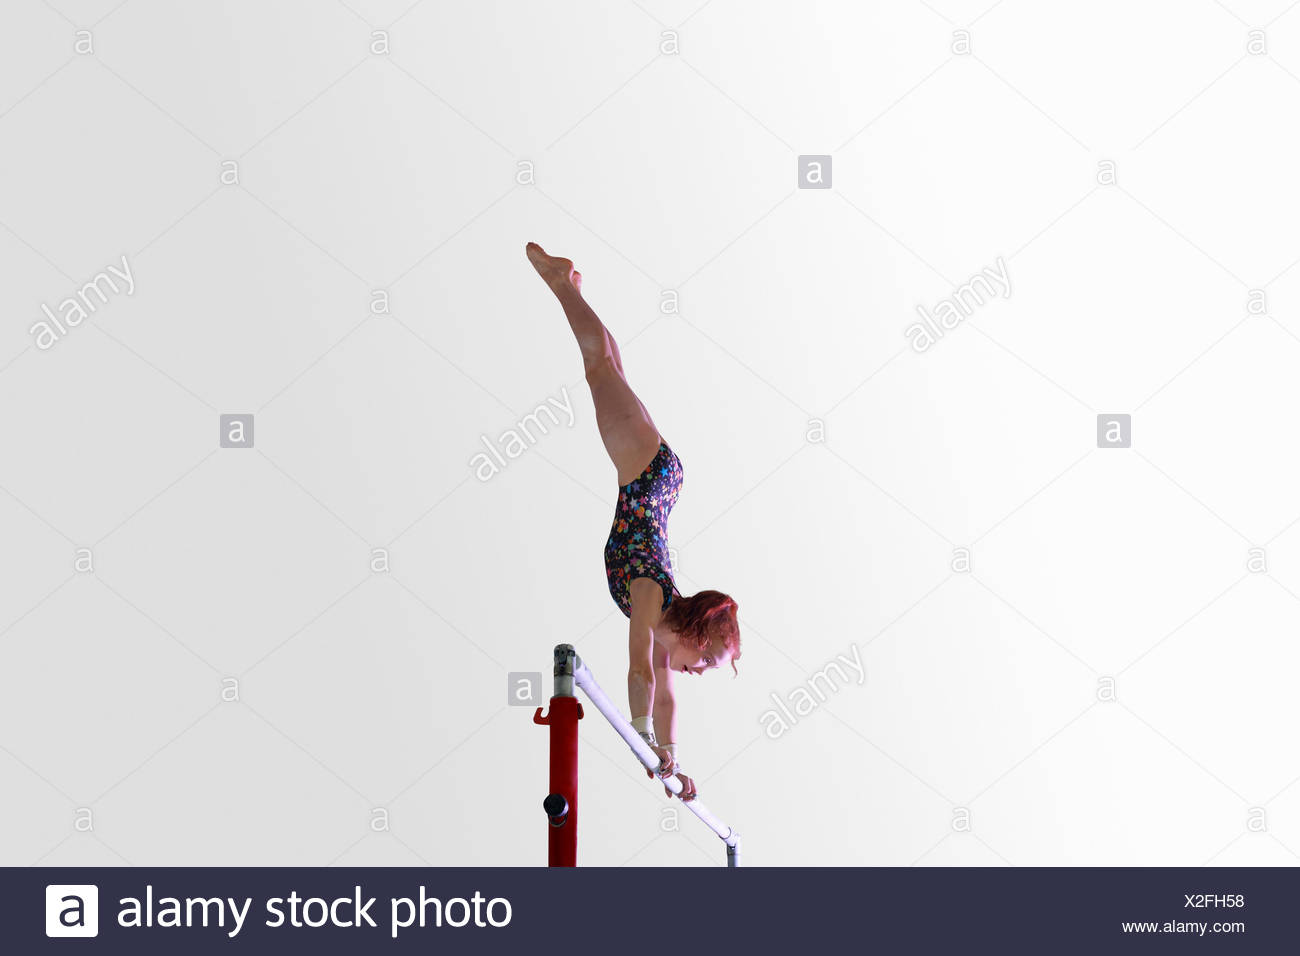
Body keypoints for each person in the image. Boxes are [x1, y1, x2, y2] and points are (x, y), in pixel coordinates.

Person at [526, 242, 743, 803]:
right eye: (707, 661)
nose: (699, 672)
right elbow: (638, 675)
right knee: (599, 367)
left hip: (657, 480)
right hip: (645, 475)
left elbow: (664, 697)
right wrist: (641, 738)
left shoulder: (666, 626)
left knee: (609, 369)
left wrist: (670, 760)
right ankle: (560, 284)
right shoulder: (650, 596)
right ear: (696, 635)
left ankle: (569, 284)